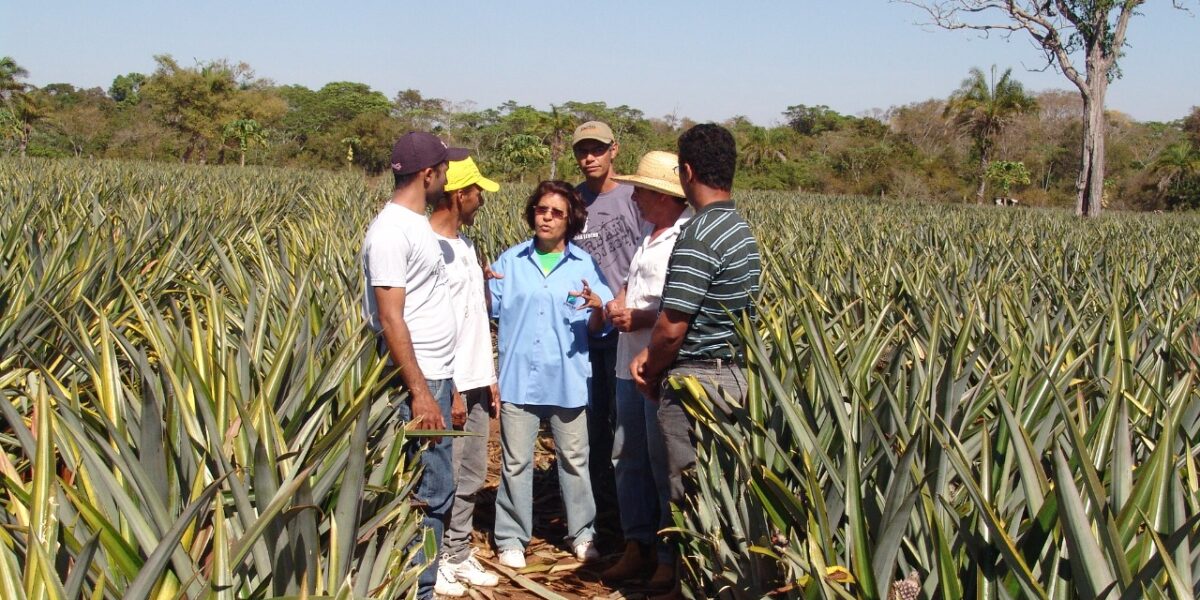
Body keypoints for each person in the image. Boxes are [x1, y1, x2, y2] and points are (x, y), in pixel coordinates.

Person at [630, 124, 761, 599]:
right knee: (724, 487)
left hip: (696, 381)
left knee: (687, 489)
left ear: (686, 172)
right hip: (738, 376)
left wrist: (650, 365)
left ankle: (694, 586)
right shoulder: (741, 229)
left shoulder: (698, 235)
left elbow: (672, 326)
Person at [361, 131, 468, 600]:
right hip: (416, 383)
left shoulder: (416, 224)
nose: (446, 178)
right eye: (443, 170)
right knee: (427, 490)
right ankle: (418, 589)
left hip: (435, 376)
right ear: (428, 174)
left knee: (435, 485)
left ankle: (421, 582)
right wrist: (422, 393)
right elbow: (390, 318)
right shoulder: (390, 232)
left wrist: (449, 384)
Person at [488, 181, 614, 569]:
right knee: (515, 463)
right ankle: (511, 537)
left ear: (570, 220)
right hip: (518, 377)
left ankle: (582, 533)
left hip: (568, 379)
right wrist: (479, 284)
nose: (546, 218)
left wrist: (598, 308)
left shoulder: (584, 266)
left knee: (575, 460)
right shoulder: (510, 261)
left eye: (556, 213)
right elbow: (489, 310)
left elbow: (600, 326)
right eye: (541, 210)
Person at [601, 151, 693, 584]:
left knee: (663, 462)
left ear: (663, 196)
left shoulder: (684, 237)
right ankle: (636, 543)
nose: (634, 197)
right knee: (627, 455)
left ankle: (668, 557)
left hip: (657, 367)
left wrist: (639, 317)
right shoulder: (648, 232)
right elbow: (632, 283)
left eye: (641, 190)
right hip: (627, 364)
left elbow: (682, 310)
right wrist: (620, 301)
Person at [428, 157, 502, 596]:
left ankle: (457, 551)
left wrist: (488, 377)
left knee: (471, 475)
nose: (481, 201)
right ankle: (434, 561)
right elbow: (432, 327)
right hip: (447, 383)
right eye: (477, 193)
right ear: (460, 195)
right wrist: (451, 390)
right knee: (444, 478)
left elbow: (475, 318)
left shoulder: (468, 246)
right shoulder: (428, 248)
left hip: (475, 379)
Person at [570, 120, 646, 536]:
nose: (590, 158)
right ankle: (601, 509)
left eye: (597, 149)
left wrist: (622, 298)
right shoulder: (572, 200)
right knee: (591, 417)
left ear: (614, 149)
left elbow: (648, 253)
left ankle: (630, 510)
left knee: (625, 420)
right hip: (586, 327)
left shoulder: (634, 197)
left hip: (627, 325)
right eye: (582, 150)